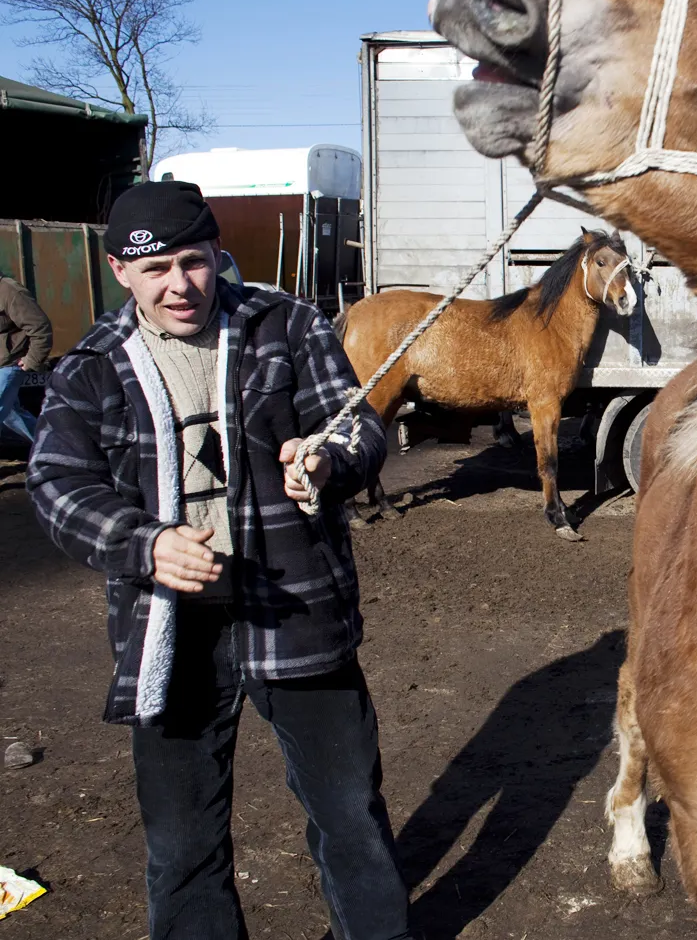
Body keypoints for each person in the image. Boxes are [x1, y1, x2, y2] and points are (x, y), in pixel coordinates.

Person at [26, 181, 412, 940]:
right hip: (171, 633)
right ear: (119, 271)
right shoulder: (94, 367)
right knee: (182, 844)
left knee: (351, 817)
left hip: (298, 610)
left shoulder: (287, 325)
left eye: (196, 263)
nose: (181, 285)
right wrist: (145, 543)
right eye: (159, 268)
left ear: (216, 256)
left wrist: (328, 458)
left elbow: (356, 425)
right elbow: (55, 483)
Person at [0, 269, 53, 445]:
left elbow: (40, 327)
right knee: (12, 415)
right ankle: (54, 447)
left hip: (7, 365)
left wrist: (32, 360)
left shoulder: (9, 291)